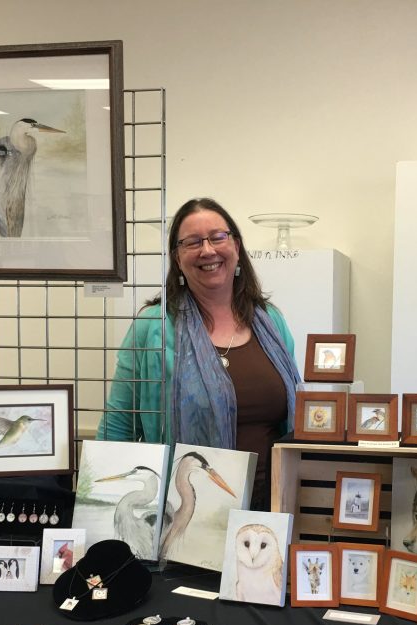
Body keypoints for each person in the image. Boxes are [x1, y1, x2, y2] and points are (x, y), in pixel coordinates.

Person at [97, 197, 300, 510]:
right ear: (177, 258)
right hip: (187, 518)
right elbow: (118, 428)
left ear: (236, 247)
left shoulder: (271, 321)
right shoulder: (152, 328)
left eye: (218, 237)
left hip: (271, 511)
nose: (208, 250)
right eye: (192, 242)